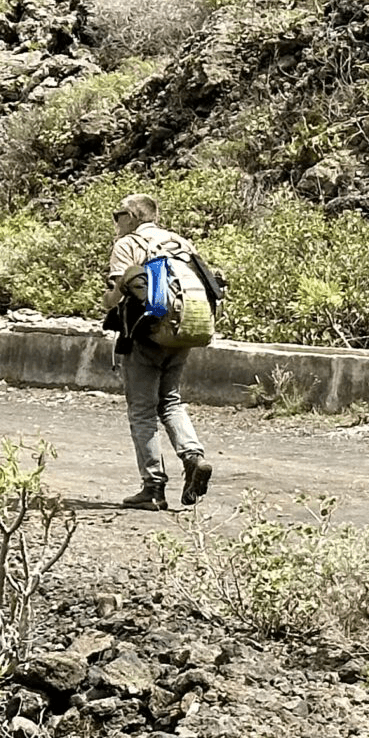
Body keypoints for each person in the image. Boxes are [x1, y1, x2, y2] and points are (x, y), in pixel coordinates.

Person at [104, 192, 215, 511]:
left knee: (141, 410)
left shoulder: (127, 245)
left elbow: (119, 292)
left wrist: (107, 302)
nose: (116, 221)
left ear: (133, 216)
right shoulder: (182, 243)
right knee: (170, 400)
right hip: (182, 331)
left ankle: (153, 487)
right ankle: (193, 456)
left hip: (146, 334)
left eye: (118, 215)